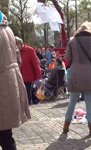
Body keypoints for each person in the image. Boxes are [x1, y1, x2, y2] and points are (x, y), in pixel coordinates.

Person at [63, 21, 91, 136]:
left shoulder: (72, 42)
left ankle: (66, 126)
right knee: (88, 102)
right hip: (89, 74)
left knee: (72, 101)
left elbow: (67, 58)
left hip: (75, 73)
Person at [0, 11, 31, 150]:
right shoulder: (7, 29)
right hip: (9, 83)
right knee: (6, 134)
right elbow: (18, 59)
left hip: (2, 84)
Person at [15, 37, 41, 105]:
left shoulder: (29, 50)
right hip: (17, 78)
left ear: (21, 43)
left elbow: (35, 63)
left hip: (27, 78)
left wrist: (38, 76)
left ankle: (28, 110)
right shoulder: (14, 52)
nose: (15, 46)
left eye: (16, 44)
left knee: (27, 96)